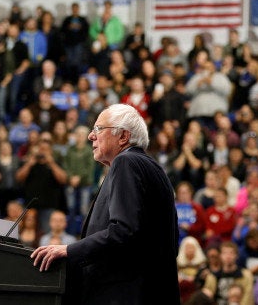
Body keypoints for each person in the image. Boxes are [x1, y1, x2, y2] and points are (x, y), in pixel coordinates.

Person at [30, 104, 180, 304]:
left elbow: (124, 230)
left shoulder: (126, 162)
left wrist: (68, 250)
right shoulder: (153, 168)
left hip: (123, 295)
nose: (91, 136)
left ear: (123, 137)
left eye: (98, 129)